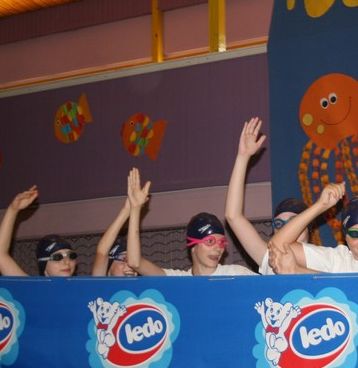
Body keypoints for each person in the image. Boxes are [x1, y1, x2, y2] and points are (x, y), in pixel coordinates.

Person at [224, 117, 314, 274]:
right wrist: (243, 157)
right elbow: (233, 216)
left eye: (293, 222)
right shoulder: (270, 262)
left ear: (307, 227)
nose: (286, 228)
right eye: (279, 224)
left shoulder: (328, 260)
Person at [126, 168, 256, 276]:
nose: (218, 249)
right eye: (210, 241)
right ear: (193, 246)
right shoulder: (180, 282)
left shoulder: (236, 274)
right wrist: (135, 209)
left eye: (222, 243)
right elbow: (135, 262)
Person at [0, 185, 77, 277]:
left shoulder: (84, 285)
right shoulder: (31, 285)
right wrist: (13, 210)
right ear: (44, 265)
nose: (67, 261)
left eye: (71, 256)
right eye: (57, 257)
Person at [92, 176, 161, 277]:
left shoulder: (142, 287)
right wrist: (127, 210)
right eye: (124, 259)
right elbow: (102, 252)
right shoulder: (100, 284)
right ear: (108, 265)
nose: (131, 266)